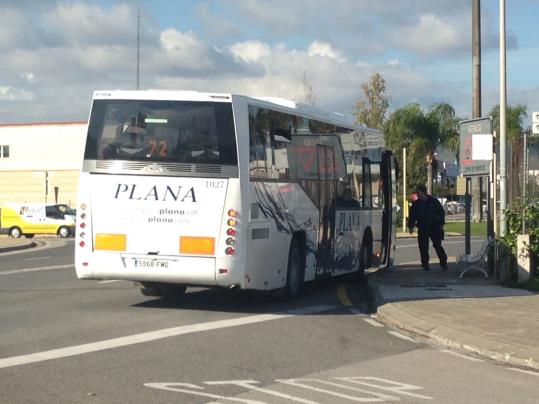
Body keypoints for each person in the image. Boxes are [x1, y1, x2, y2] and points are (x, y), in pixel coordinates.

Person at [408, 184, 448, 271]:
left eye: (418, 192)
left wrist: (441, 224)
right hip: (422, 228)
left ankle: (443, 263)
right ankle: (425, 265)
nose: (417, 195)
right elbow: (412, 216)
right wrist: (411, 226)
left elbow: (441, 212)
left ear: (423, 192)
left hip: (434, 227)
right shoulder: (416, 204)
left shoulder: (433, 201)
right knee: (423, 247)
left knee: (437, 245)